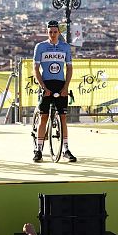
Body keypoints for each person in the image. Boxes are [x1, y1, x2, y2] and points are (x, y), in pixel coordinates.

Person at [32, 20, 76, 163]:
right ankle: (38, 149)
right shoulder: (40, 47)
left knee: (63, 117)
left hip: (60, 84)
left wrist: (66, 87)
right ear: (47, 32)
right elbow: (35, 69)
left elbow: (69, 68)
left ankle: (65, 149)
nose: (52, 34)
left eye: (55, 32)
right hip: (46, 84)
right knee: (44, 117)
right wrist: (43, 87)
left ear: (59, 32)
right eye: (50, 32)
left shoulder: (65, 47)